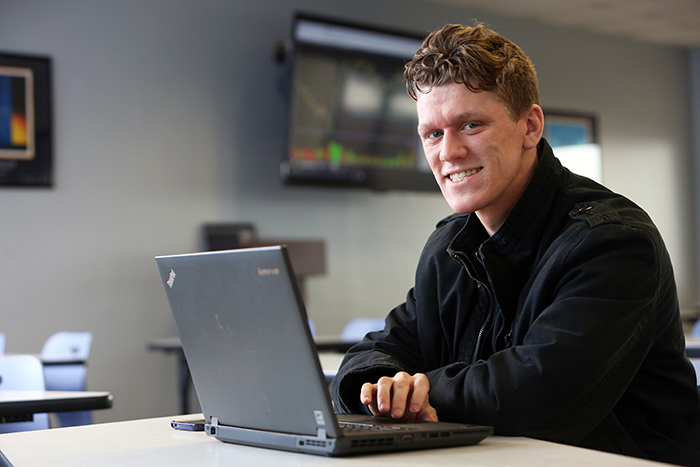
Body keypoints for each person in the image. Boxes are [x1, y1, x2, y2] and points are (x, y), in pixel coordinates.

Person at [330, 22, 700, 466]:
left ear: (530, 126)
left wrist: (420, 389)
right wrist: (377, 388)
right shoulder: (449, 245)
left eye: (470, 125)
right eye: (432, 134)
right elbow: (380, 348)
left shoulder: (613, 240)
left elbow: (536, 395)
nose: (448, 152)